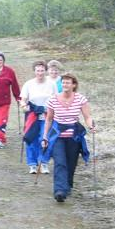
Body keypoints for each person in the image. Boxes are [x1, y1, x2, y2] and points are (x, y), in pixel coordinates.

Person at [42, 73, 96, 202]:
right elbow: (49, 120)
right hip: (57, 137)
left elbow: (87, 117)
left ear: (74, 85)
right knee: (60, 162)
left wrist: (91, 126)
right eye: (63, 82)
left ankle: (68, 186)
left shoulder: (80, 99)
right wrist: (45, 137)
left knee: (71, 164)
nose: (65, 85)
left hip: (74, 137)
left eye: (67, 82)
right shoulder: (53, 99)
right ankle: (59, 190)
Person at [20, 61, 57, 174]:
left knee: (45, 138)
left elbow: (56, 98)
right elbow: (23, 99)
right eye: (38, 70)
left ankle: (44, 163)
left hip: (47, 114)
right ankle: (32, 164)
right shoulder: (28, 84)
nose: (40, 73)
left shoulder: (51, 84)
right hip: (32, 114)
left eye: (42, 70)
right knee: (31, 138)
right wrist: (23, 105)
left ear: (45, 71)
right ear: (34, 71)